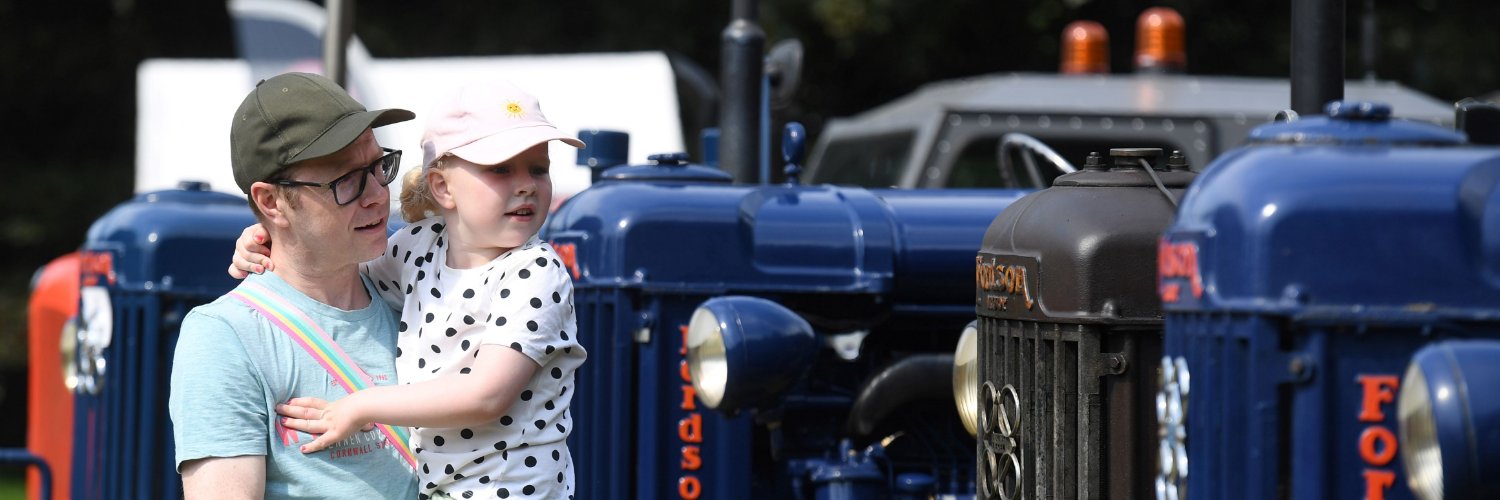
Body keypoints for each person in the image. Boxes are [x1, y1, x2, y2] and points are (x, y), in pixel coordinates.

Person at [233, 80, 587, 499]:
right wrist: (269, 237)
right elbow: (329, 259)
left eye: (538, 169)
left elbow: (487, 394)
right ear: (442, 188)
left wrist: (361, 405)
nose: (527, 184)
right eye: (501, 169)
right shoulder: (418, 249)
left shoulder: (536, 272)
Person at [168, 72, 420, 499]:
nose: (378, 193)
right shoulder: (224, 336)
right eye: (347, 180)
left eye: (380, 167)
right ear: (270, 201)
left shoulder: (418, 288)